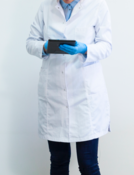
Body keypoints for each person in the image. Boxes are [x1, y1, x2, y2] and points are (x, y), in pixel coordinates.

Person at [26, 0, 112, 174]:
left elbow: (106, 45)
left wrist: (85, 48)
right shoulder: (46, 7)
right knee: (58, 162)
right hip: (54, 96)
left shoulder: (98, 6)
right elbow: (30, 42)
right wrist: (45, 46)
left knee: (88, 163)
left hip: (85, 97)